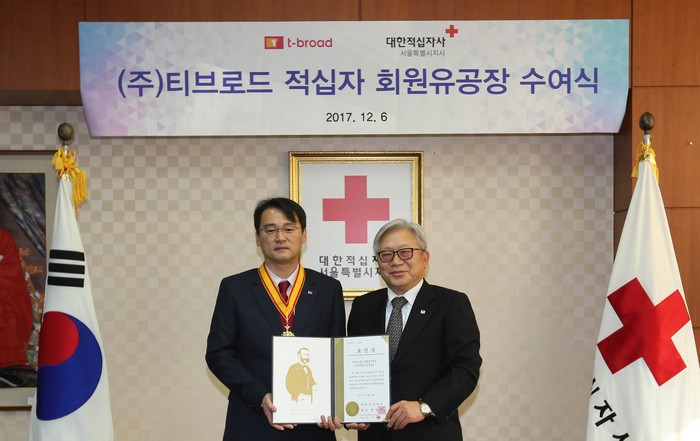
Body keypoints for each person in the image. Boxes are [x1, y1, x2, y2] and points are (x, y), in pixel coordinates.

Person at [206, 197, 346, 441]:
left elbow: (338, 353)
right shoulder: (235, 288)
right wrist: (260, 396)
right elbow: (218, 354)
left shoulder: (328, 288)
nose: (280, 237)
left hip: (313, 425)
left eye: (289, 229)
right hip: (252, 421)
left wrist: (337, 403)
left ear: (304, 234)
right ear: (258, 238)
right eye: (270, 230)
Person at [346, 219, 481, 441]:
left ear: (425, 258)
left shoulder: (451, 303)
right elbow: (352, 368)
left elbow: (466, 369)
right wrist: (351, 411)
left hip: (430, 433)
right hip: (375, 436)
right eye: (386, 254)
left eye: (405, 252)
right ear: (378, 262)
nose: (396, 261)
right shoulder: (363, 306)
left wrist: (424, 406)